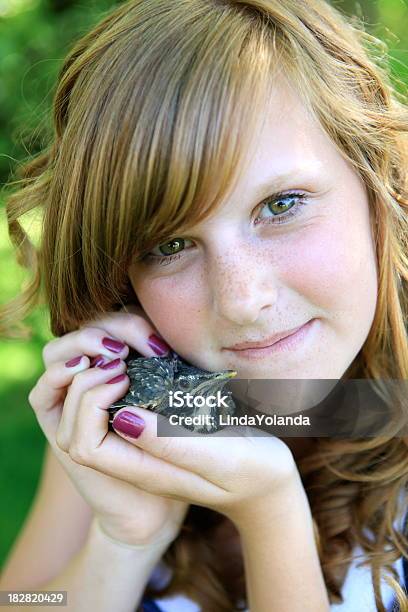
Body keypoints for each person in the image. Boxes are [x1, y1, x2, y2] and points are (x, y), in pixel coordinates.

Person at [0, 0, 407, 610]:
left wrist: (269, 512)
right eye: (171, 245)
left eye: (282, 204)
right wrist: (125, 540)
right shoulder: (133, 409)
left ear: (376, 180)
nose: (243, 300)